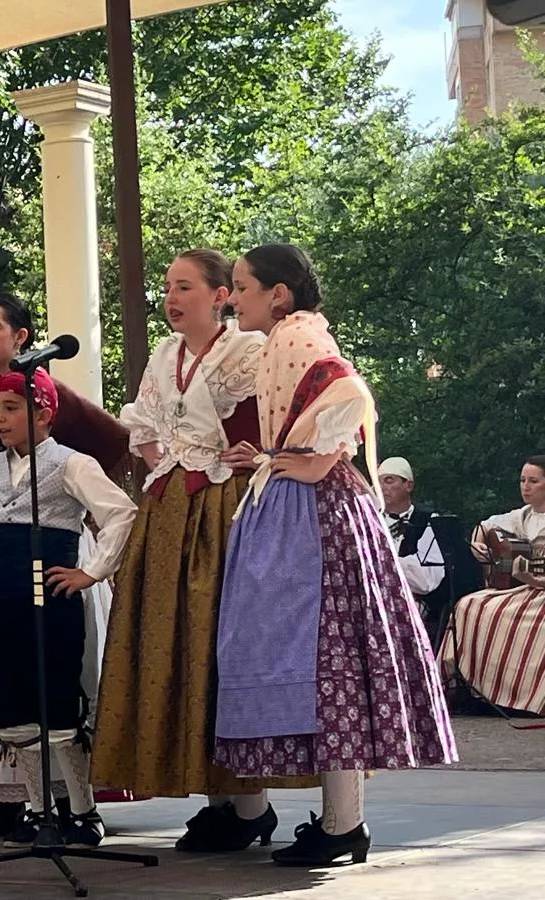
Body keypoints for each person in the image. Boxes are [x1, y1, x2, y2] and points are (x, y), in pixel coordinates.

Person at [213, 243, 457, 867]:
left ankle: (344, 825)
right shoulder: (291, 336)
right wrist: (273, 457)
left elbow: (345, 392)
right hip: (303, 504)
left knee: (329, 659)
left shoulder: (295, 337)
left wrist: (314, 456)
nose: (233, 297)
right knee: (332, 662)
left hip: (313, 516)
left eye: (242, 286)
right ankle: (342, 822)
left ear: (280, 294)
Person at [91, 249, 310, 850]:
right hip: (171, 513)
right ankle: (221, 801)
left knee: (222, 645)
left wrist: (244, 457)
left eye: (184, 286)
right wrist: (166, 460)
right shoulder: (164, 356)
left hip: (226, 509)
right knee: (179, 645)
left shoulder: (250, 351)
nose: (172, 296)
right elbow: (143, 428)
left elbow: (284, 416)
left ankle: (249, 802)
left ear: (220, 296)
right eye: (167, 286)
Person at [0, 292, 130, 837]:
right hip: (6, 601)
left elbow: (121, 513)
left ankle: (82, 810)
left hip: (54, 597)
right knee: (15, 706)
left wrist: (93, 571)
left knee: (59, 701)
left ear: (43, 410)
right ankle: (37, 810)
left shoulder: (70, 463)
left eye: (11, 408)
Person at [441, 455, 545, 716]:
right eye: (523, 480)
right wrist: (480, 545)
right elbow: (484, 525)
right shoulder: (523, 516)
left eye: (533, 481)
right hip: (526, 588)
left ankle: (529, 696)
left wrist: (531, 576)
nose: (525, 486)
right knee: (469, 605)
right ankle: (467, 686)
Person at [378, 457, 453, 641]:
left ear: (408, 485)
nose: (382, 487)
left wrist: (386, 563)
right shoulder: (371, 520)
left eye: (389, 480)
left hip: (413, 603)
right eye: (378, 482)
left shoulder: (428, 521)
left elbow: (427, 581)